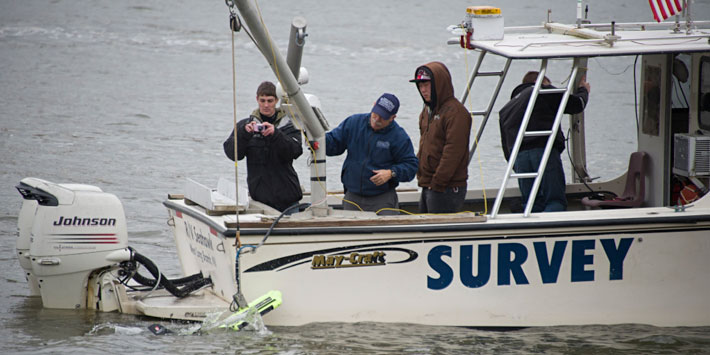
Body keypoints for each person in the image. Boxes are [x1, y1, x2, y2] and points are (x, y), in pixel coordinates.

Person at [498, 71, 591, 212]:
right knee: (555, 201)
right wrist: (583, 90)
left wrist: (517, 165)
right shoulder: (541, 90)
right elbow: (576, 104)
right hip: (543, 151)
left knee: (532, 205)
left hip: (520, 159)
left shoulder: (507, 108)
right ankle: (554, 233)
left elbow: (506, 147)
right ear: (540, 82)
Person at [326, 93, 418, 215]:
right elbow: (333, 145)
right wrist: (317, 138)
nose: (377, 119)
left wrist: (391, 173)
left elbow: (411, 166)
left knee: (385, 234)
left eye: (383, 117)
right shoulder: (354, 123)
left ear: (392, 117)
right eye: (375, 114)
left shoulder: (399, 137)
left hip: (382, 200)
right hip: (352, 198)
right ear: (373, 106)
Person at [223, 81, 303, 212]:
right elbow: (232, 154)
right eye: (262, 100)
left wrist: (275, 134)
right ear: (257, 99)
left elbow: (295, 151)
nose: (266, 105)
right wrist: (244, 133)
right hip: (260, 200)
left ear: (276, 100)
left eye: (270, 101)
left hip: (288, 198)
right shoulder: (245, 125)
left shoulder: (289, 125)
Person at [410, 62, 472, 213]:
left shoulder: (456, 113)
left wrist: (438, 182)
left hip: (447, 188)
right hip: (428, 184)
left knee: (437, 235)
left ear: (439, 84)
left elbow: (453, 152)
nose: (423, 90)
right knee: (425, 233)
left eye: (426, 85)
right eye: (420, 85)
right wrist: (419, 173)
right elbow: (424, 147)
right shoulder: (426, 111)